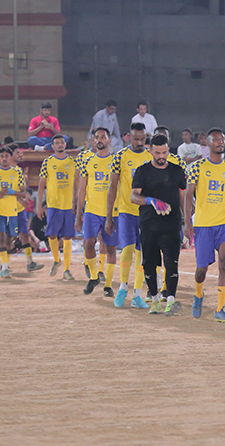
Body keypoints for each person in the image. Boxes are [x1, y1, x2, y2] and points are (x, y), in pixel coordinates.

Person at [183, 128, 225, 321]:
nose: (220, 142)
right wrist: (187, 222)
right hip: (203, 225)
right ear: (208, 143)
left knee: (224, 263)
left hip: (223, 224)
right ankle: (198, 294)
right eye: (216, 139)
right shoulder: (197, 167)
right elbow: (188, 196)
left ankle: (220, 309)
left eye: (222, 139)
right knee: (202, 269)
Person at [127, 135, 187, 316]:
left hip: (172, 224)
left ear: (168, 150)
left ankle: (170, 300)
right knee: (149, 264)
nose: (161, 156)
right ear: (150, 151)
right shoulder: (142, 171)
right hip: (149, 224)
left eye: (164, 152)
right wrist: (150, 200)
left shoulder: (177, 170)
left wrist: (186, 221)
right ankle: (154, 300)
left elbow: (183, 197)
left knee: (172, 263)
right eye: (157, 153)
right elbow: (133, 196)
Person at [106, 122, 153, 309]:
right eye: (136, 139)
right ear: (129, 137)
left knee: (143, 254)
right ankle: (123, 288)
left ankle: (137, 295)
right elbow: (113, 187)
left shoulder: (150, 157)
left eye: (142, 139)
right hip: (126, 211)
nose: (139, 142)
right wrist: (109, 216)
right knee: (127, 249)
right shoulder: (120, 157)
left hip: (146, 213)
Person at [77, 126, 119, 297]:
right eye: (97, 137)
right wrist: (78, 214)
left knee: (110, 248)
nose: (100, 140)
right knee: (88, 243)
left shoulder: (116, 161)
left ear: (109, 140)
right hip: (92, 210)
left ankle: (108, 285)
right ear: (93, 141)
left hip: (112, 212)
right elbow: (82, 189)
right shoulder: (87, 161)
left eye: (103, 137)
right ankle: (94, 276)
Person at [37, 134, 77, 279]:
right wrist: (39, 205)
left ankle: (67, 270)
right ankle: (56, 259)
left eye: (62, 142)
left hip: (69, 205)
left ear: (65, 145)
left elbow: (79, 182)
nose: (60, 144)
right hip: (53, 204)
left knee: (67, 237)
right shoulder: (47, 162)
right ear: (53, 146)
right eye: (57, 143)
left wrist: (77, 202)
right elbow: (41, 185)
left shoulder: (73, 162)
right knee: (51, 234)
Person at [0, 146, 26, 278]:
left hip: (12, 210)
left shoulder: (17, 172)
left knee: (9, 239)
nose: (4, 159)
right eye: (1, 156)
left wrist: (10, 192)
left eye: (6, 156)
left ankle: (5, 263)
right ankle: (4, 266)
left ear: (10, 157)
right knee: (1, 237)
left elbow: (23, 193)